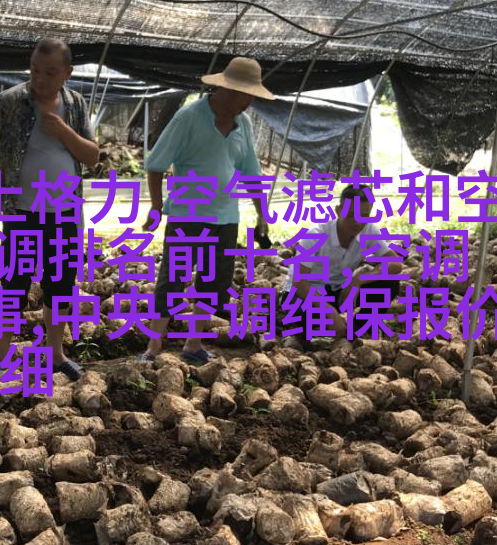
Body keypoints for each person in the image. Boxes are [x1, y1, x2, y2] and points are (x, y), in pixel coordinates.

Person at [0, 36, 99, 382]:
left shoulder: (76, 105)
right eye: (35, 70)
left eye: (49, 72)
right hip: (23, 213)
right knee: (14, 283)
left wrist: (63, 131)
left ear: (67, 73)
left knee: (60, 284)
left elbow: (92, 156)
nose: (39, 78)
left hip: (66, 213)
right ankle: (0, 355)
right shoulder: (10, 101)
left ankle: (56, 353)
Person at [139, 56, 273, 364]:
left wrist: (262, 213)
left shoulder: (243, 124)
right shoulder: (189, 117)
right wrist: (156, 207)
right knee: (172, 279)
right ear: (230, 90)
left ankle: (193, 344)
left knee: (213, 282)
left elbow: (251, 172)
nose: (250, 102)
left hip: (226, 217)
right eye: (248, 95)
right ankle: (153, 347)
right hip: (187, 214)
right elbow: (156, 164)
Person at [282, 183, 375, 344]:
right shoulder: (315, 235)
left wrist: (357, 280)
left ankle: (355, 331)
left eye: (364, 216)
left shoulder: (368, 230)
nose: (358, 223)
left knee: (387, 283)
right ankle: (309, 335)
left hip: (336, 291)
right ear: (338, 210)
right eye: (351, 215)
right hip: (302, 294)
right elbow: (299, 282)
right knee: (304, 317)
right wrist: (327, 311)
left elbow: (394, 263)